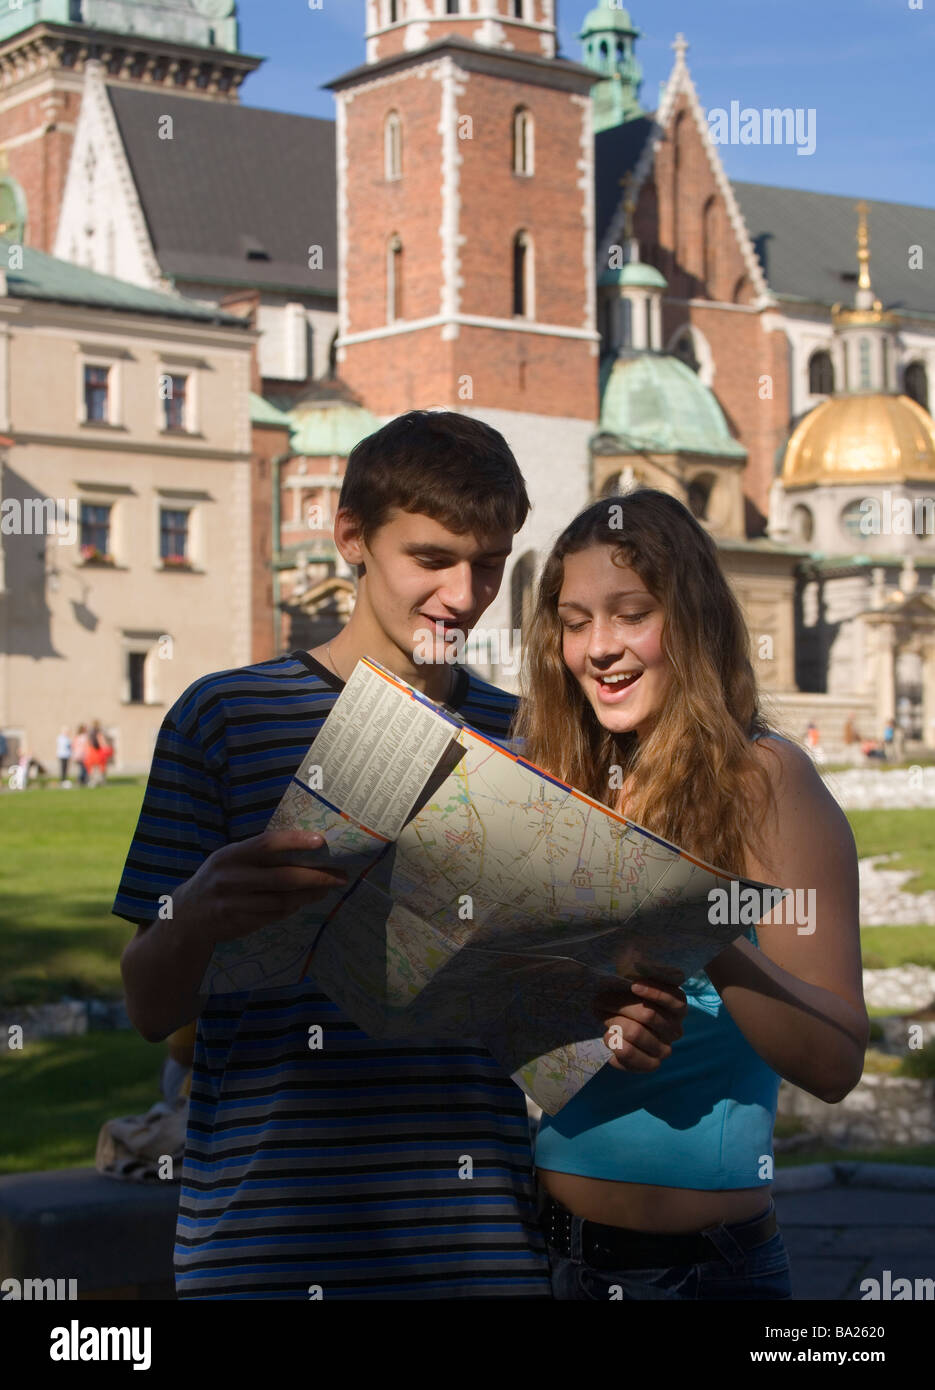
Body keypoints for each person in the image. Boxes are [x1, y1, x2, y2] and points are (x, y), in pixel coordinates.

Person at [115, 409, 551, 1300]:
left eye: (492, 564)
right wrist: (193, 916)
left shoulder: (527, 732)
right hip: (267, 1242)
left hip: (482, 1246)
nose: (463, 597)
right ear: (351, 536)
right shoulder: (224, 719)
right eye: (431, 560)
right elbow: (150, 1007)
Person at [514, 490, 868, 1301]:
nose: (597, 647)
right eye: (573, 621)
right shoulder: (568, 776)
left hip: (695, 1276)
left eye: (630, 613)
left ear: (694, 620)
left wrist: (694, 920)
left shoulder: (763, 778)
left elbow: (837, 1061)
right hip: (541, 1253)